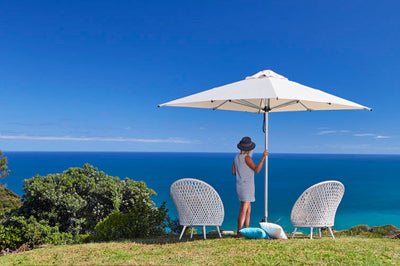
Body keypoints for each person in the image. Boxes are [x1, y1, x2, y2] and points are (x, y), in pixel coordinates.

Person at [232, 136, 268, 237]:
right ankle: (240, 231)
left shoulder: (236, 157)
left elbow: (233, 172)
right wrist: (262, 158)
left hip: (240, 185)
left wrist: (242, 172)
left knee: (247, 208)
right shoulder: (247, 158)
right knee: (244, 208)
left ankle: (246, 230)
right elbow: (257, 170)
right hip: (247, 186)